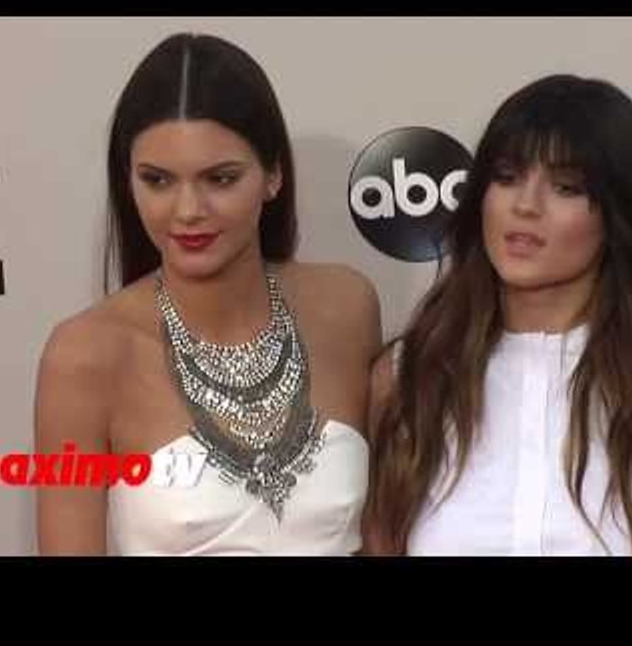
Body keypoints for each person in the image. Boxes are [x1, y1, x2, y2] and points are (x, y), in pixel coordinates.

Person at [364, 74, 632, 556]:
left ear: (618, 212)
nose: (525, 205)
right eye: (506, 178)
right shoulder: (409, 377)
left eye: (566, 187)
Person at [35, 32, 380, 555]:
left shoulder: (347, 307)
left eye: (219, 178)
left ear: (273, 175)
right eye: (158, 181)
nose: (188, 210)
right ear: (127, 183)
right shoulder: (83, 357)